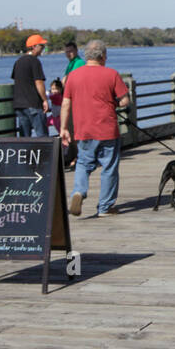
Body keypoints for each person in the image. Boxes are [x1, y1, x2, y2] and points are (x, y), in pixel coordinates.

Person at [60, 39, 129, 217]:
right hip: (107, 128)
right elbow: (124, 101)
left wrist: (64, 128)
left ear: (86, 56)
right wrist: (115, 102)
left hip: (83, 128)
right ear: (103, 56)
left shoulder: (73, 76)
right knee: (109, 167)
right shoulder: (111, 74)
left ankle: (78, 191)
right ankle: (105, 207)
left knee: (83, 163)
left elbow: (66, 104)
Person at [12, 34, 50, 137]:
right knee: (42, 136)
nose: (43, 48)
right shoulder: (34, 61)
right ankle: (44, 153)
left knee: (24, 138)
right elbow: (39, 82)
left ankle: (26, 153)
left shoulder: (18, 61)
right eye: (41, 46)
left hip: (19, 105)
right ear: (33, 47)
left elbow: (16, 80)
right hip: (33, 104)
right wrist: (45, 100)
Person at [61, 42, 85, 166]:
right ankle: (73, 155)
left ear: (76, 50)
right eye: (66, 52)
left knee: (74, 130)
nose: (68, 54)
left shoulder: (79, 62)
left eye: (70, 51)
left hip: (76, 102)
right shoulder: (71, 63)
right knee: (71, 130)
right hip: (70, 100)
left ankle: (78, 156)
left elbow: (69, 80)